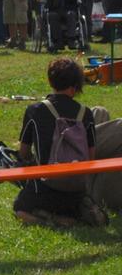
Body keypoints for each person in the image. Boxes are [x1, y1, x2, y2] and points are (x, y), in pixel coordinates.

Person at [13, 57, 104, 226]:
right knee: (73, 203)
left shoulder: (36, 110)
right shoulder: (86, 114)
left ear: (50, 80)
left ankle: (51, 221)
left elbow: (23, 152)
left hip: (46, 188)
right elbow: (91, 157)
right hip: (77, 190)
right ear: (76, 84)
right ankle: (78, 213)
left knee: (19, 208)